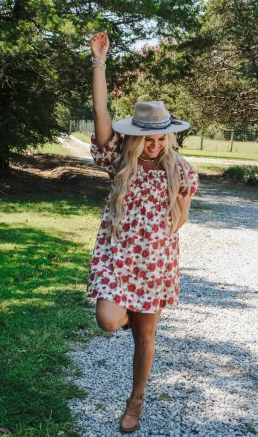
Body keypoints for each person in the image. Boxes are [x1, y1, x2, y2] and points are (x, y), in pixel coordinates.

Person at [86, 30, 199, 433]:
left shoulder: (182, 171)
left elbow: (179, 221)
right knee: (108, 320)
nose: (154, 144)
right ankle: (128, 312)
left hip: (154, 263)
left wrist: (172, 223)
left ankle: (135, 402)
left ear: (170, 134)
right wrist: (99, 62)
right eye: (147, 137)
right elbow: (101, 114)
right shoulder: (119, 158)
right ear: (135, 135)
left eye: (161, 136)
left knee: (145, 338)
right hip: (117, 258)